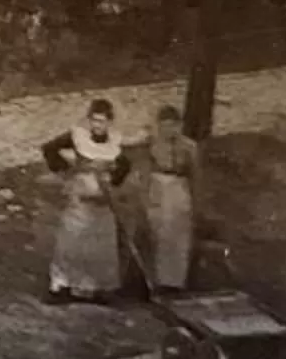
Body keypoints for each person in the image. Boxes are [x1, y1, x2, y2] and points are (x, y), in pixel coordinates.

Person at [42, 99, 131, 301]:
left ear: (109, 122)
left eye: (101, 121)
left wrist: (115, 179)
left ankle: (96, 288)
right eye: (94, 121)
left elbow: (125, 164)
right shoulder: (78, 137)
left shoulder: (115, 141)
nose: (97, 125)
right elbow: (49, 148)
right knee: (72, 241)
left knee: (100, 245)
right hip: (80, 196)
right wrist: (65, 170)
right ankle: (62, 286)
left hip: (102, 199)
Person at [139, 105, 201, 292]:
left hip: (179, 186)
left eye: (173, 126)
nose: (169, 130)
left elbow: (195, 174)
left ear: (179, 126)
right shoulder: (153, 145)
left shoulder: (189, 146)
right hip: (158, 185)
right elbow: (145, 172)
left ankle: (176, 281)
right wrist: (145, 198)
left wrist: (196, 199)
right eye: (164, 126)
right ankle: (158, 281)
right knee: (159, 233)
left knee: (179, 234)